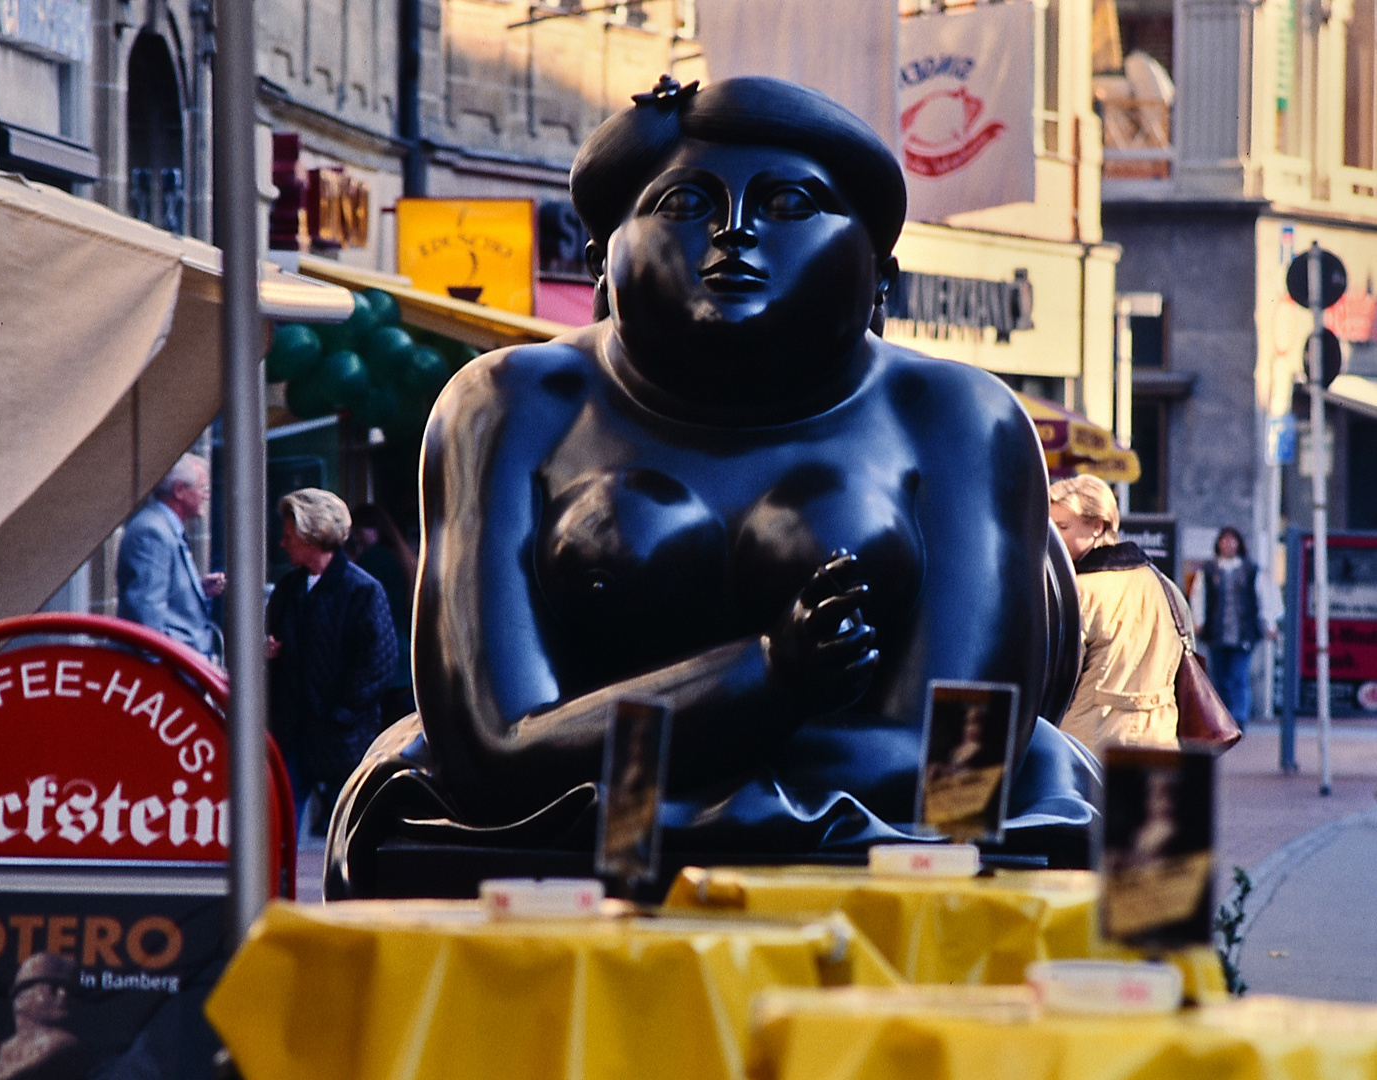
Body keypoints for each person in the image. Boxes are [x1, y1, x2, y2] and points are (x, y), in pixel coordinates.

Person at [326, 75, 1097, 897]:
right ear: (601, 255)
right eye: (684, 202)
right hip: (553, 842)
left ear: (882, 275)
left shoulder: (956, 416)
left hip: (873, 840)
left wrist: (614, 741)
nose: (733, 231)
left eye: (791, 204)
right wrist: (770, 679)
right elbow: (489, 747)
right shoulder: (510, 403)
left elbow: (957, 767)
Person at [267, 488, 400, 832]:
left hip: (342, 736)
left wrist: (340, 714)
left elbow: (377, 664)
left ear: (313, 536)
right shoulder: (288, 588)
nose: (283, 544)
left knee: (348, 829)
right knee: (279, 822)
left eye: (289, 536)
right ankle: (278, 887)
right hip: (293, 730)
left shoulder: (362, 590)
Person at [1049, 475, 1188, 752]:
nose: (1053, 537)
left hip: (1090, 744)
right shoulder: (1166, 586)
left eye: (1062, 526)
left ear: (1097, 527)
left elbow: (1057, 681)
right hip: (1160, 741)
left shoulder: (1079, 591)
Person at [116, 454, 224, 659]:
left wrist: (198, 590)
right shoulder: (153, 532)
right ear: (179, 490)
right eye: (203, 489)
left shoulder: (163, 527)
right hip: (169, 673)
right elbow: (146, 616)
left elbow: (160, 594)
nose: (206, 496)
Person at [1190, 526, 1280, 724]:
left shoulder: (1250, 570)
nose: (1228, 545)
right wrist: (1199, 621)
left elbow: (1263, 598)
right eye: (1224, 540)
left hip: (1243, 633)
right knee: (1220, 678)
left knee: (1239, 676)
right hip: (1217, 632)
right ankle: (1223, 716)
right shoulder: (1209, 570)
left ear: (1238, 544)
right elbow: (1199, 597)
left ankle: (1239, 717)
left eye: (1232, 541)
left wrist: (1269, 623)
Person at [346, 503, 419, 722]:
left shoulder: (374, 560)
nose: (356, 539)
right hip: (403, 659)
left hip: (385, 661)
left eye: (359, 532)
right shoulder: (400, 557)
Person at [0, 953, 89, 1080]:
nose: (64, 994)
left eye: (70, 990)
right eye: (53, 987)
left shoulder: (62, 1043)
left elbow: (12, 1075)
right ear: (22, 996)